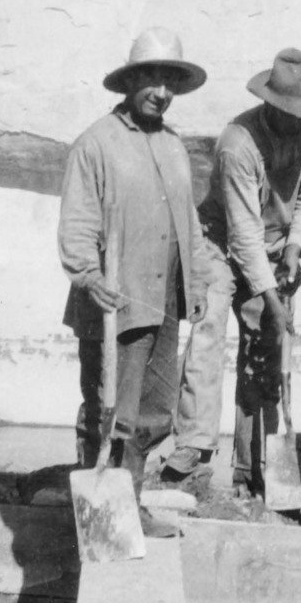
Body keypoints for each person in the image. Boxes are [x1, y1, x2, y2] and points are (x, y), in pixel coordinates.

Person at [57, 27, 208, 537]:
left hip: (163, 300)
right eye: (152, 80)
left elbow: (188, 220)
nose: (161, 93)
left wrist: (201, 282)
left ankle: (132, 505)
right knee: (109, 408)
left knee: (151, 411)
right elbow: (78, 222)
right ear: (130, 81)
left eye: (170, 83)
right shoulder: (96, 144)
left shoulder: (173, 146)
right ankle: (101, 514)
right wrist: (89, 275)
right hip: (113, 301)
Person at [162, 48, 301, 495]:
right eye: (290, 113)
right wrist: (272, 298)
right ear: (270, 104)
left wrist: (296, 249)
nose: (299, 121)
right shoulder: (238, 143)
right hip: (220, 241)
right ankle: (193, 452)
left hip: (275, 246)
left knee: (267, 349)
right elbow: (242, 233)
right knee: (208, 329)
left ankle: (253, 468)